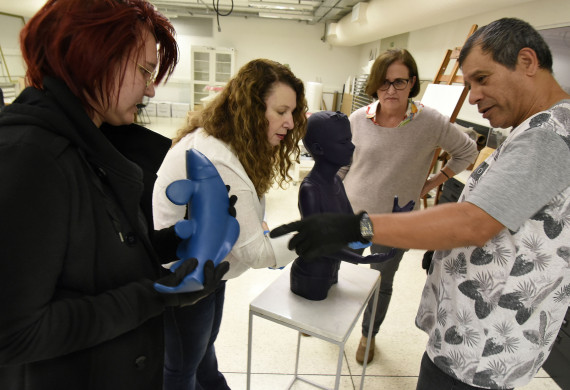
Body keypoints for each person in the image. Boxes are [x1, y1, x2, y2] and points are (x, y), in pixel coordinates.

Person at [271, 17, 570, 389]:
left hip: (482, 349)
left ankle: (368, 332)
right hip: (472, 337)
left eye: (482, 79)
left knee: (380, 281)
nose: (473, 97)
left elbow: (475, 222)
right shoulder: (537, 130)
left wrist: (359, 225)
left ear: (527, 62)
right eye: (469, 83)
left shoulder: (548, 137)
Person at [0, 1, 230, 389]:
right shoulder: (31, 158)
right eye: (145, 69)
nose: (152, 88)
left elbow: (87, 259)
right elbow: (13, 333)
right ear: (89, 56)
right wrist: (156, 295)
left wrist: (174, 241)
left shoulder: (89, 144)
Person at [152, 58, 307, 390]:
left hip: (208, 270)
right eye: (281, 111)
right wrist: (316, 234)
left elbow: (241, 211)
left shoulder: (227, 142)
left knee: (203, 351)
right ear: (252, 110)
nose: (290, 122)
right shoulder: (218, 156)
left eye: (292, 113)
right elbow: (258, 254)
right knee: (181, 368)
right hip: (184, 279)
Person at [339, 48, 478, 364]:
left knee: (380, 282)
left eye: (399, 82)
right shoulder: (357, 120)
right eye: (384, 83)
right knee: (334, 265)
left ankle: (367, 336)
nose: (391, 90)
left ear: (412, 82)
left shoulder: (429, 121)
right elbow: (342, 165)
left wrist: (431, 183)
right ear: (375, 85)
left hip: (397, 223)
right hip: (351, 213)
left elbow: (467, 152)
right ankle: (324, 312)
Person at [291, 110, 411, 301]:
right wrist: (363, 259)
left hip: (332, 269)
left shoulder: (337, 182)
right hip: (312, 274)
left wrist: (390, 221)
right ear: (319, 148)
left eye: (350, 139)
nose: (352, 146)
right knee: (319, 318)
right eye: (343, 142)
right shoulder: (310, 190)